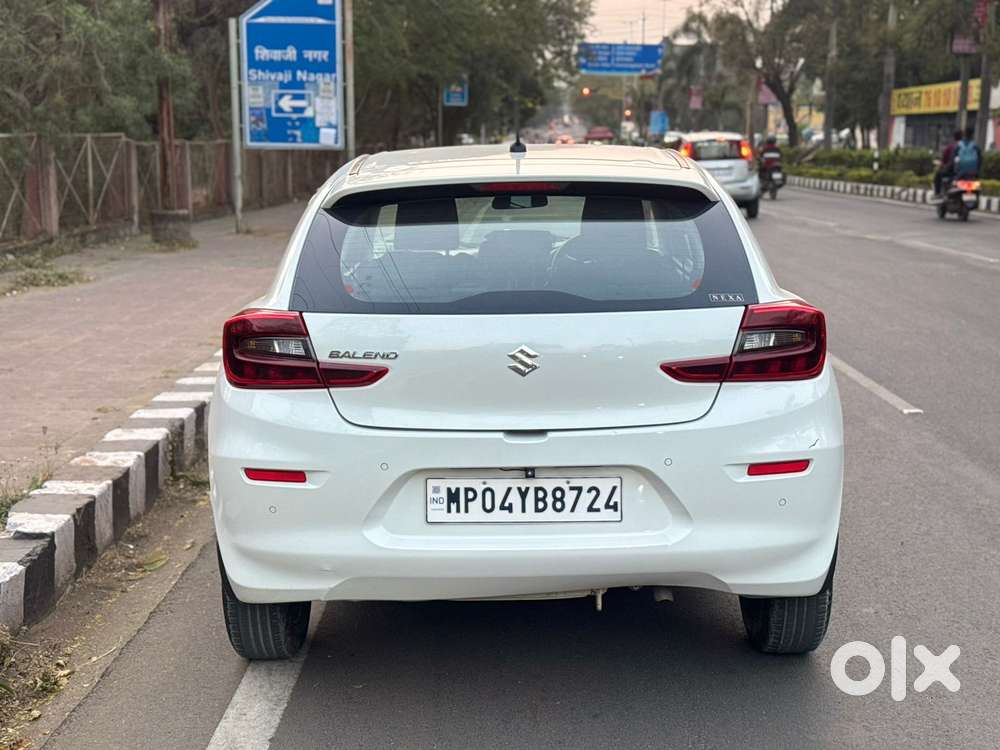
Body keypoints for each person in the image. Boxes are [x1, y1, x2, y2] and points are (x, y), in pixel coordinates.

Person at [933, 130, 962, 197]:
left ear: (954, 137)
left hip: (953, 171)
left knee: (938, 175)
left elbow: (944, 161)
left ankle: (937, 194)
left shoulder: (951, 147)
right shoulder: (968, 147)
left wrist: (943, 166)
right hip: (967, 172)